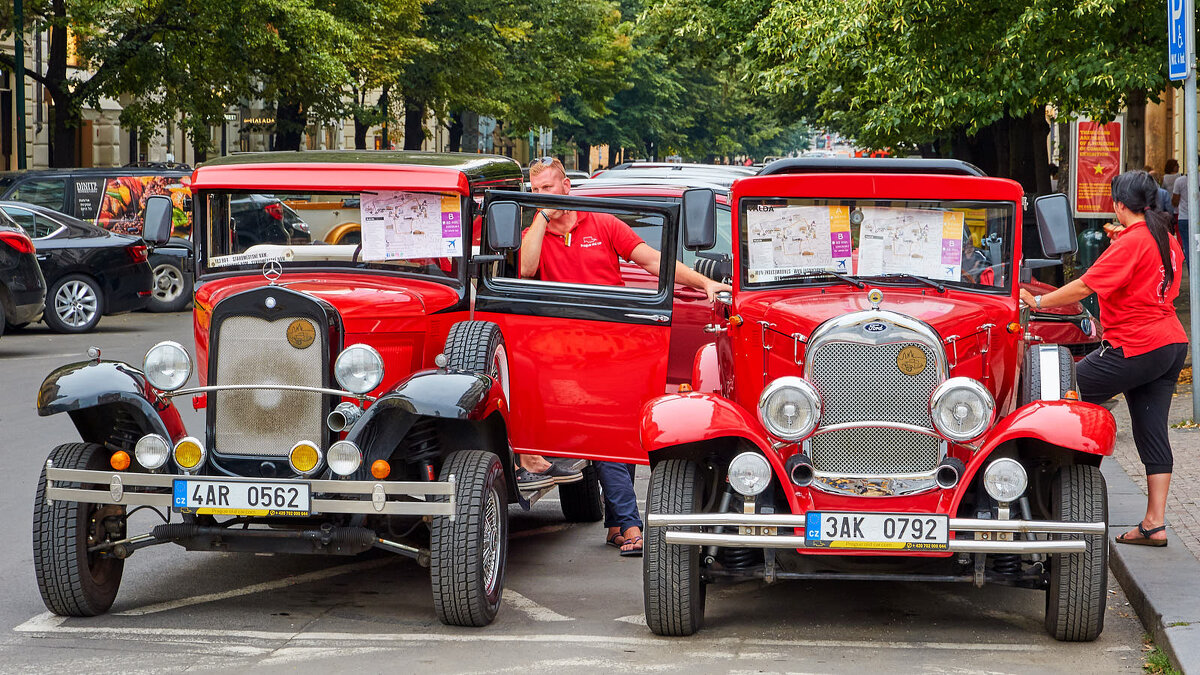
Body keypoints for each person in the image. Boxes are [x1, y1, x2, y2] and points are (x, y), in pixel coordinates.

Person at [521, 156, 732, 555]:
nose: (543, 196)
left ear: (567, 186)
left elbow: (652, 261)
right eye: (536, 191)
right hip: (566, 351)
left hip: (613, 342)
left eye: (549, 188)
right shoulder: (537, 231)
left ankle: (619, 521)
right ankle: (630, 524)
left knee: (621, 430)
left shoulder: (601, 223)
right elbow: (527, 270)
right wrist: (541, 218)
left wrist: (705, 282)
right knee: (604, 430)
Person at [1020, 170, 1186, 547]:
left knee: (1055, 393)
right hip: (1171, 342)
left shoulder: (1131, 243)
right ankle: (1154, 524)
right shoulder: (1166, 237)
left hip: (1136, 343)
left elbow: (1085, 285)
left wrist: (1039, 300)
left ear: (1119, 205)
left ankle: (1036, 493)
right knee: (1152, 429)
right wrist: (1124, 238)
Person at [1171, 171, 1190, 265]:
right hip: (1189, 216)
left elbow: (1175, 200)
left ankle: (1192, 272)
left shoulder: (1179, 181)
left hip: (1184, 216)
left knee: (1187, 245)